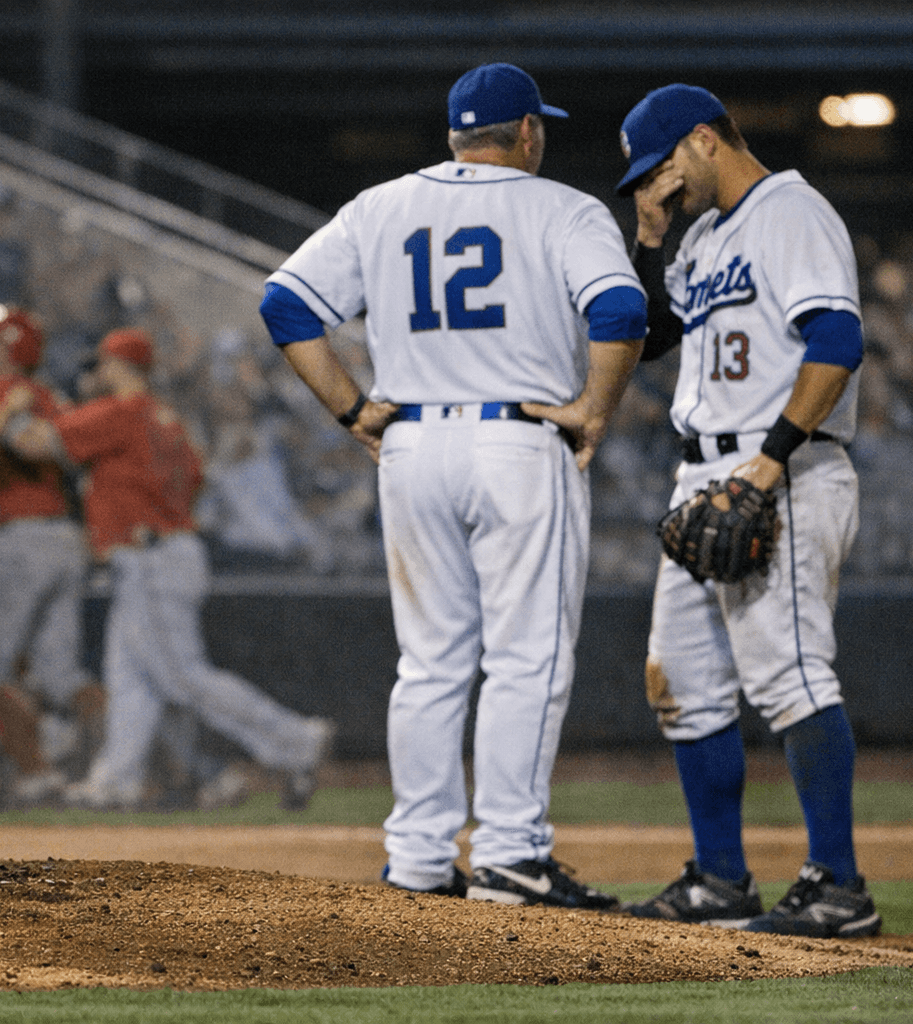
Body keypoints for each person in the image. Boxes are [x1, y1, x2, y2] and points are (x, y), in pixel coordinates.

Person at [260, 63, 645, 906]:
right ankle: (510, 851)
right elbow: (620, 313)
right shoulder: (564, 208)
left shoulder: (380, 205)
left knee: (430, 661)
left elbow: (286, 303)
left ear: (453, 136)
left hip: (412, 443)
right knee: (526, 658)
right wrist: (594, 409)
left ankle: (420, 859)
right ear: (529, 132)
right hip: (519, 438)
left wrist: (353, 410)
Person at [614, 85, 877, 938]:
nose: (654, 188)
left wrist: (768, 464)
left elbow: (837, 341)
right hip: (704, 474)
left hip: (783, 467)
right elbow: (653, 334)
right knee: (679, 680)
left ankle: (838, 885)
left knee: (790, 674)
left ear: (703, 139)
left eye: (658, 171)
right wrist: (649, 241)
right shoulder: (700, 237)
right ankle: (720, 880)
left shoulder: (791, 211)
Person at [3, 327, 336, 811]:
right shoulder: (168, 420)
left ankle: (296, 740)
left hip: (152, 559)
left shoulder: (122, 411)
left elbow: (33, 445)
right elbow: (195, 480)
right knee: (130, 678)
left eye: (103, 364)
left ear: (119, 366)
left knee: (183, 677)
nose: (98, 374)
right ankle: (116, 781)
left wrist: (16, 409)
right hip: (166, 551)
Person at [0, 307, 95, 806]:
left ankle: (34, 773)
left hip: (16, 539)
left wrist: (11, 410)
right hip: (63, 537)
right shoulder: (51, 397)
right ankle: (118, 765)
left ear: (11, 349)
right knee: (59, 675)